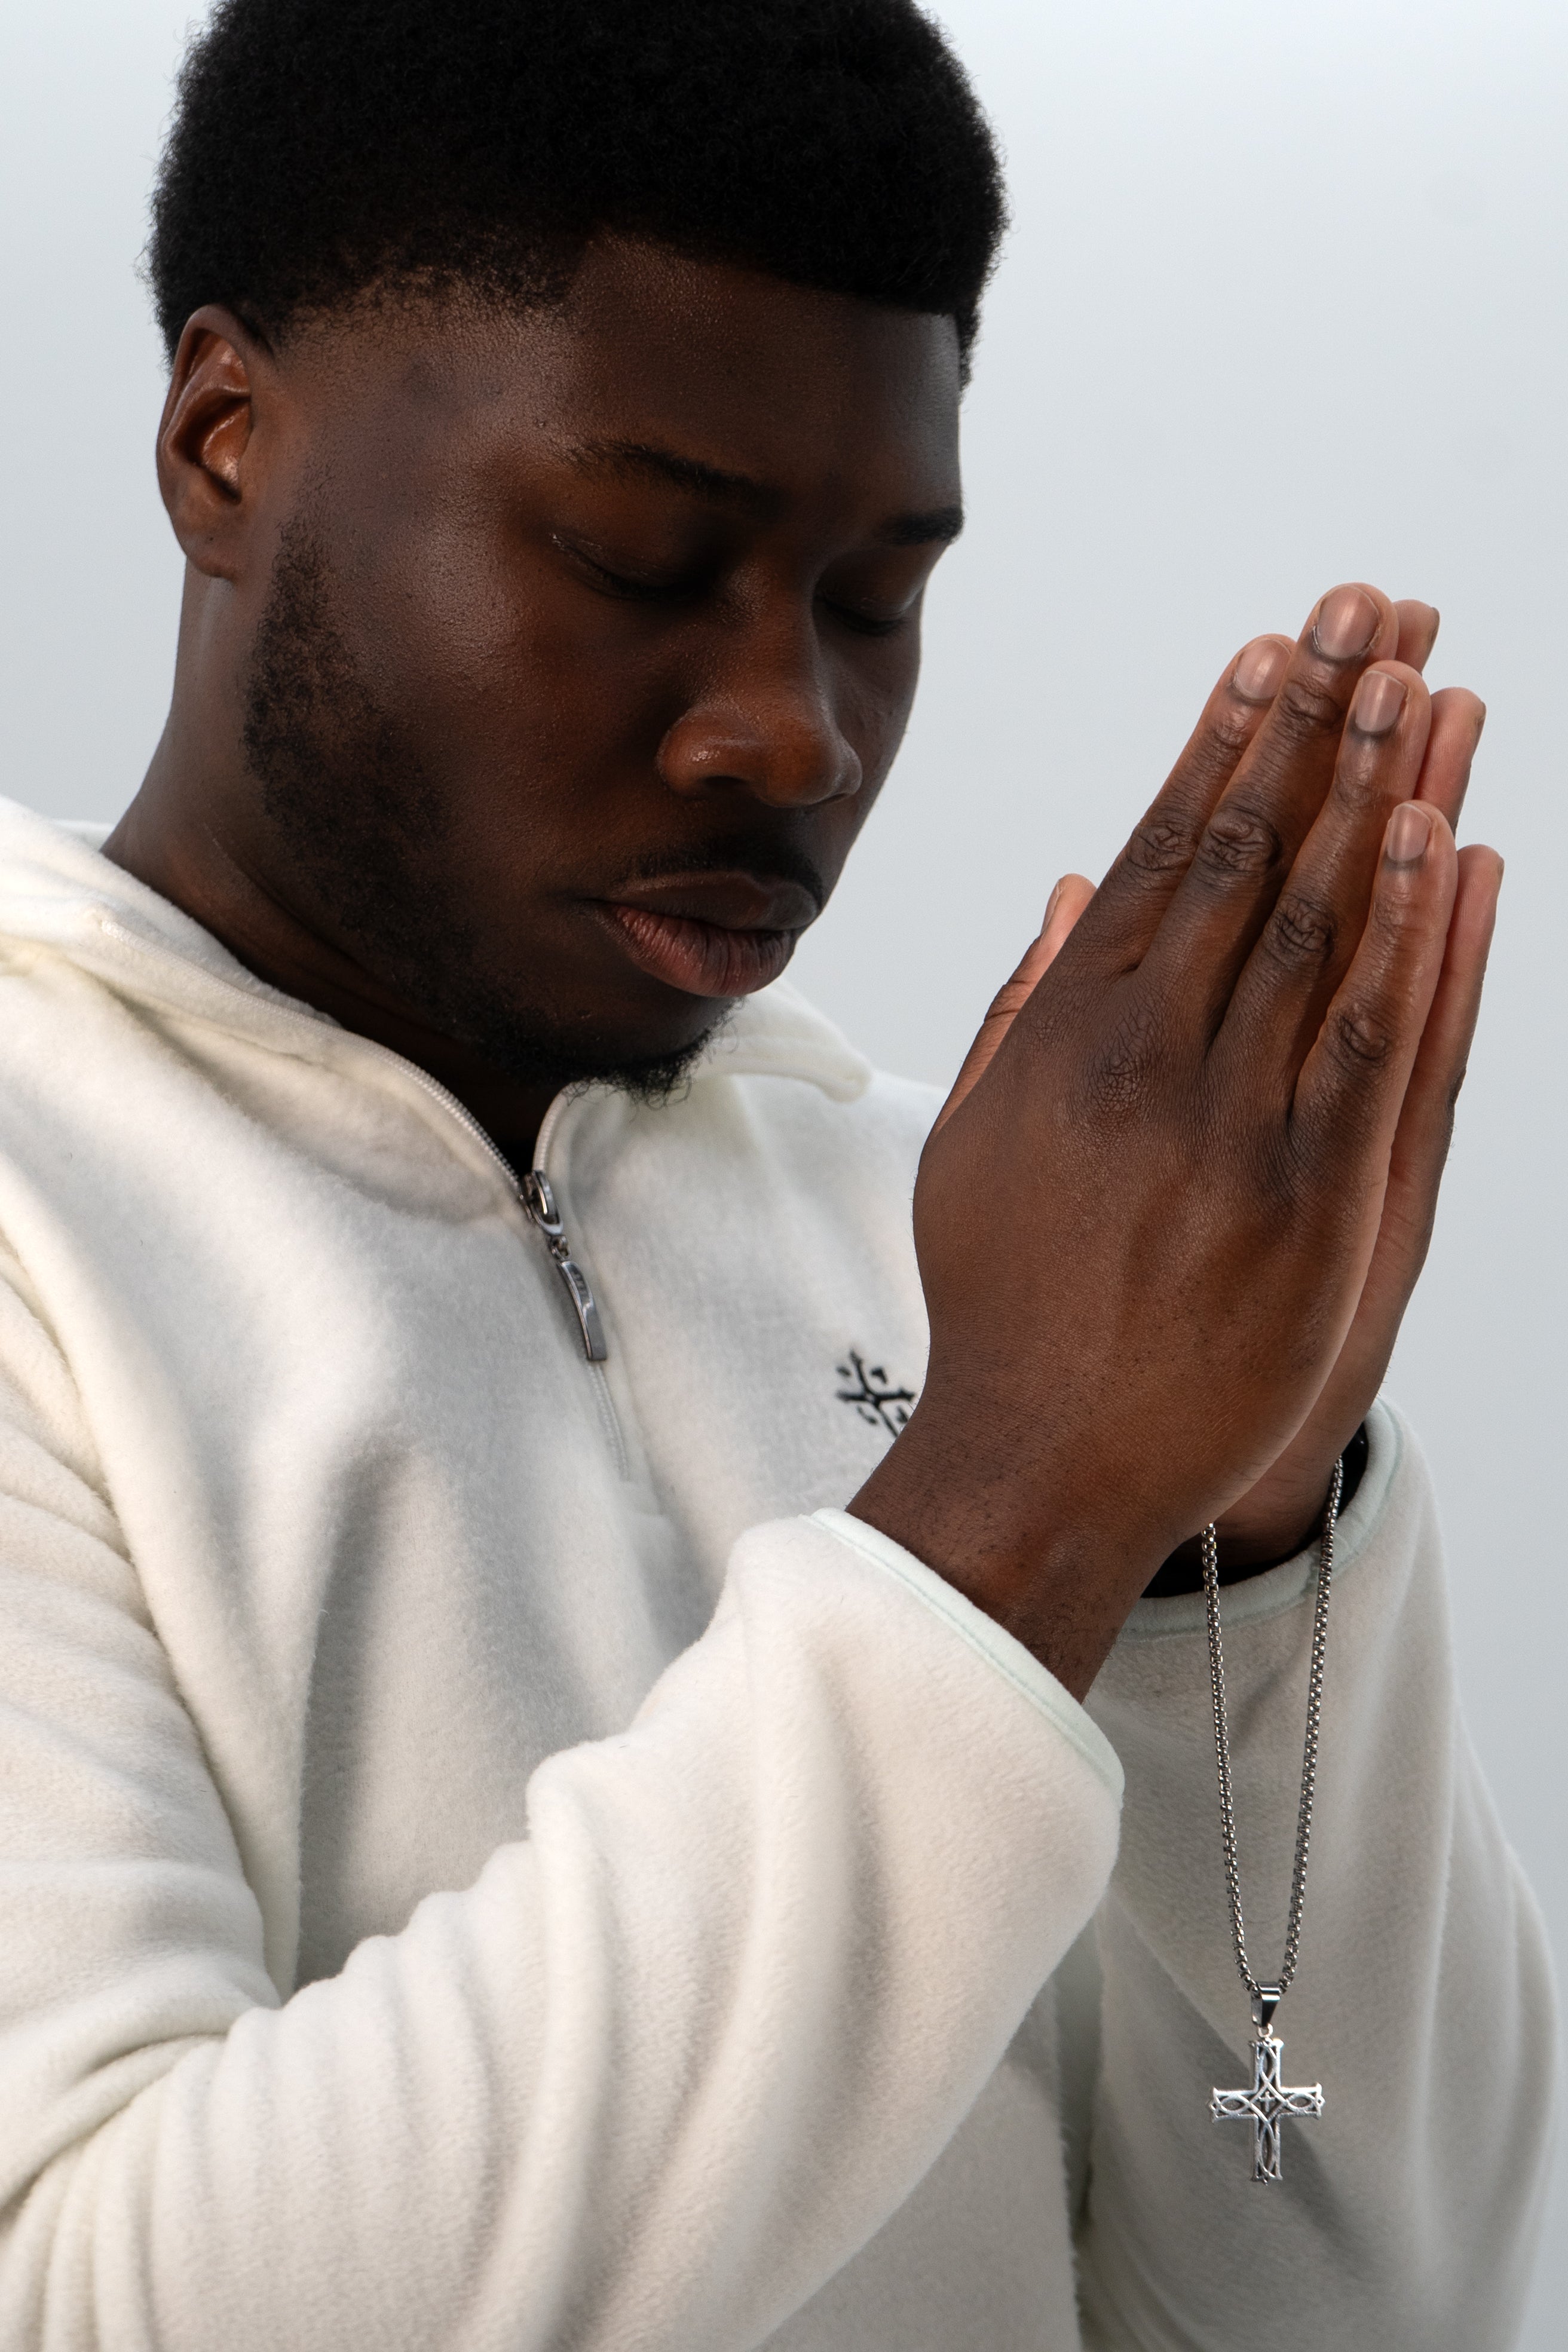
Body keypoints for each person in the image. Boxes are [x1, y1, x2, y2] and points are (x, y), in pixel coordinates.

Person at [0, 0, 1552, 2344]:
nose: (792, 734)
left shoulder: (961, 1250)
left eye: (875, 598)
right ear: (227, 446)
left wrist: (1234, 1564)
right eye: (638, 558)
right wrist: (1015, 1504)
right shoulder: (45, 1209)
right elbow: (94, 2299)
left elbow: (1369, 2305)